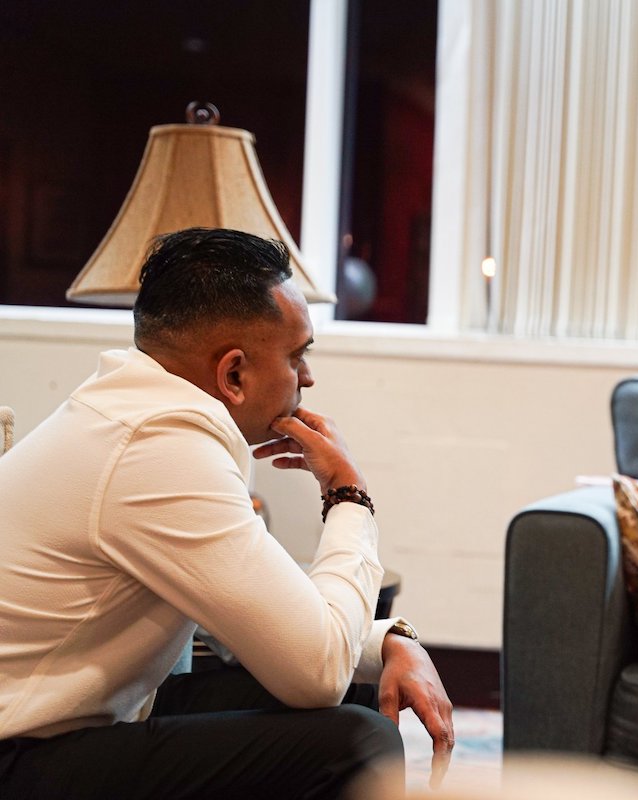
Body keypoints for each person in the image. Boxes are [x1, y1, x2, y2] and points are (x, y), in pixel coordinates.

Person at [0, 228, 454, 798]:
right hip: (18, 756)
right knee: (355, 742)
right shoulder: (160, 449)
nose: (307, 378)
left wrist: (389, 640)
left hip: (73, 725)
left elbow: (253, 626)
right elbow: (314, 672)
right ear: (233, 374)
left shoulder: (135, 414)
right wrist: (348, 496)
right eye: (297, 355)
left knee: (353, 695)